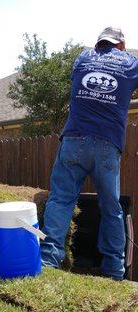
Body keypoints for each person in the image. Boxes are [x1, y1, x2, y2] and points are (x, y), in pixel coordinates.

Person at [40, 27, 138, 281]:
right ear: (121, 44)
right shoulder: (130, 63)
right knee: (111, 209)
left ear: (99, 43)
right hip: (107, 145)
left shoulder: (83, 57)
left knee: (61, 200)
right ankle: (114, 271)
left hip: (73, 139)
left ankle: (48, 260)